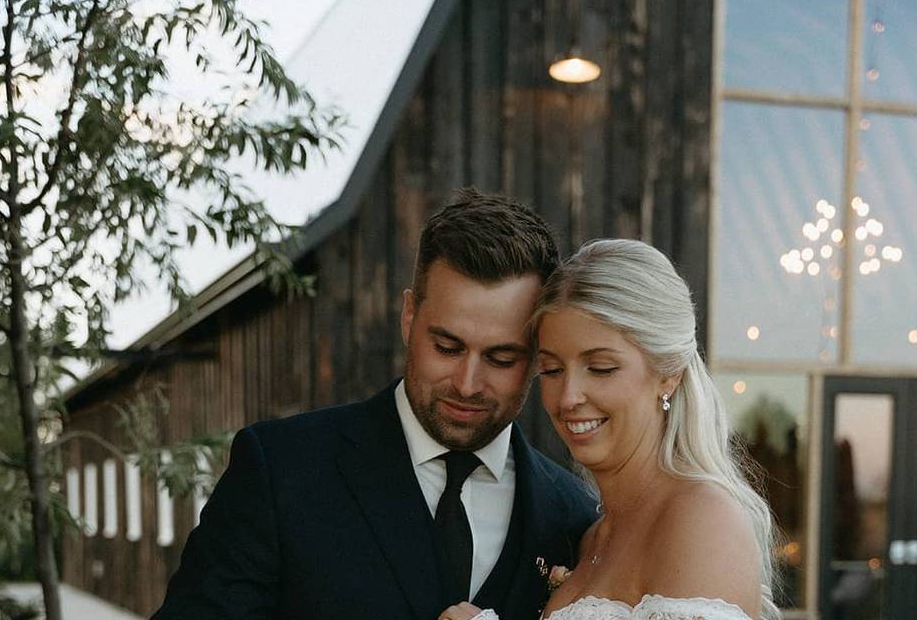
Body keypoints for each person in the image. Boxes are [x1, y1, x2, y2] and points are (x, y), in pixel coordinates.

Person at [151, 189, 598, 620]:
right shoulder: (280, 469)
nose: (467, 384)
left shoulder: (574, 517)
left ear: (540, 353)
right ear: (409, 318)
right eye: (446, 347)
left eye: (502, 358)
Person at [439, 239, 780, 620]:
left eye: (601, 368)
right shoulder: (589, 537)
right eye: (551, 370)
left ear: (668, 374)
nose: (568, 397)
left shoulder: (701, 518)